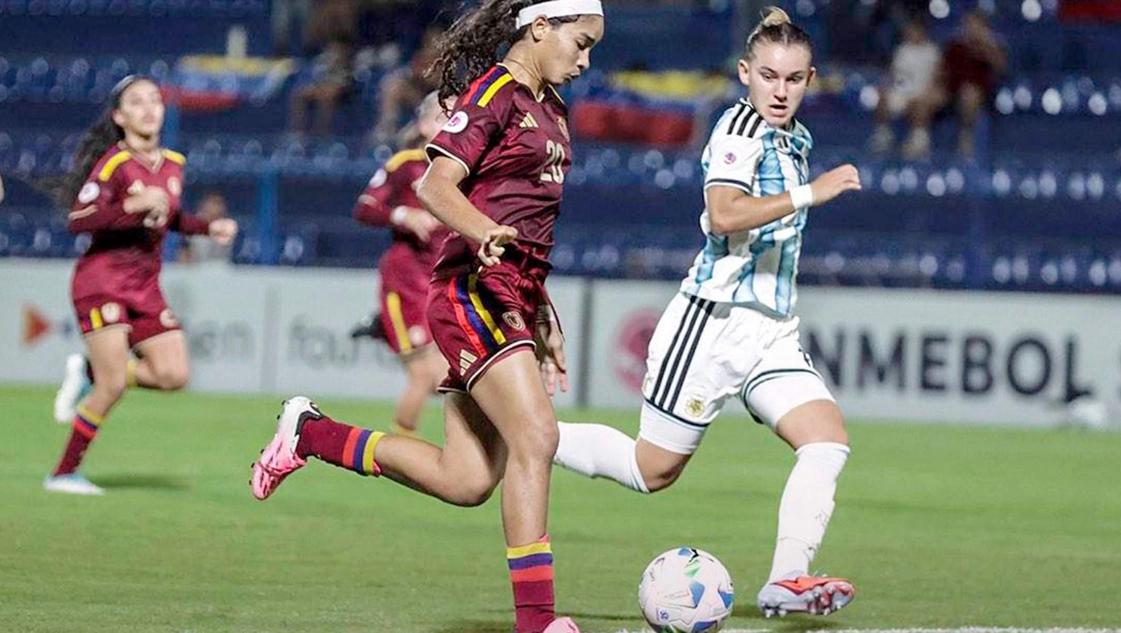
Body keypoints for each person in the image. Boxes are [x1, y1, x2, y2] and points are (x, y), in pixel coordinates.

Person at [250, 2, 604, 632]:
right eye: (581, 43)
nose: (585, 60)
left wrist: (542, 315)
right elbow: (435, 186)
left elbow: (532, 224)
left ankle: (310, 434)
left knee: (466, 480)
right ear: (540, 28)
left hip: (512, 297)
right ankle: (537, 623)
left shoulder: (552, 106)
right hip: (472, 290)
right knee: (538, 438)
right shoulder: (494, 92)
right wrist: (482, 230)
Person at [551, 7, 862, 619]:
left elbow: (776, 45)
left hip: (773, 330)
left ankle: (786, 580)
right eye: (767, 76)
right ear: (744, 74)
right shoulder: (739, 130)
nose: (779, 90)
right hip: (713, 324)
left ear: (810, 80)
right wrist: (810, 192)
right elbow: (723, 215)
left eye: (792, 79)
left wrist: (776, 21)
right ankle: (529, 433)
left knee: (826, 441)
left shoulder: (795, 137)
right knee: (651, 470)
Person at [47, 76, 239, 496]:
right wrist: (129, 205)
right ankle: (62, 474)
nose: (149, 108)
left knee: (174, 374)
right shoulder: (114, 163)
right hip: (102, 281)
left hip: (145, 284)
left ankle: (90, 371)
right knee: (113, 385)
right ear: (120, 117)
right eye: (137, 102)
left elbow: (169, 215)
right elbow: (78, 219)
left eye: (154, 100)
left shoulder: (173, 163)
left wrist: (207, 228)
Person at [351, 92, 453, 437]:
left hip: (442, 282)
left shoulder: (465, 170)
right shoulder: (406, 165)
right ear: (423, 125)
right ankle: (398, 451)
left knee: (448, 379)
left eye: (456, 119)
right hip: (406, 282)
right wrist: (403, 215)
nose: (449, 126)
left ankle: (382, 328)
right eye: (442, 118)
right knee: (425, 377)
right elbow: (364, 208)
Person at [906, 10, 1006, 159]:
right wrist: (935, 86)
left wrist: (987, 48)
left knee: (969, 94)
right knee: (927, 98)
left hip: (978, 95)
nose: (972, 28)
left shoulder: (992, 47)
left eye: (976, 25)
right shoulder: (955, 46)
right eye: (970, 24)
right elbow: (942, 70)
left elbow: (1001, 68)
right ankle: (919, 140)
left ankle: (966, 135)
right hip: (951, 90)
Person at [868, 16, 941, 157]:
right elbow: (893, 73)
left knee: (920, 105)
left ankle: (918, 140)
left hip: (922, 93)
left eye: (915, 30)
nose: (911, 33)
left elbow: (937, 76)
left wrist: (929, 92)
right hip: (901, 91)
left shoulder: (932, 51)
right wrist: (886, 87)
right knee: (882, 98)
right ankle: (883, 135)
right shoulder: (902, 50)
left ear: (922, 31)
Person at [178, 191, 233, 264]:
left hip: (221, 268)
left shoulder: (228, 226)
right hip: (196, 268)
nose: (217, 208)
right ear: (204, 205)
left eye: (219, 204)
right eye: (213, 203)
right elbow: (184, 255)